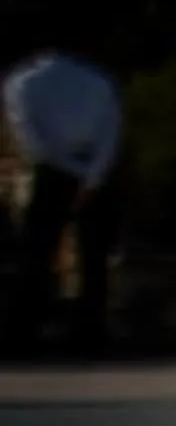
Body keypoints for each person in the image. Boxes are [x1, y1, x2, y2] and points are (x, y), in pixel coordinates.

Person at [1, 51, 124, 351]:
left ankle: (26, 327)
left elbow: (29, 134)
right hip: (94, 167)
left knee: (37, 252)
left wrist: (65, 169)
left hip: (52, 170)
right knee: (93, 255)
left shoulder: (22, 82)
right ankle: (89, 329)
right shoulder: (97, 80)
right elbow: (111, 131)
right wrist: (92, 176)